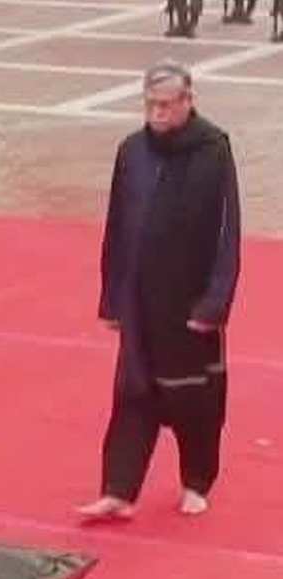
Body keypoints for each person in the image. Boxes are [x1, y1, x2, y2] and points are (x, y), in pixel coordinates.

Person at [77, 60, 241, 521]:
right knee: (133, 393)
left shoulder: (213, 150)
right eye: (150, 104)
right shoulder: (131, 151)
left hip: (189, 303)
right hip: (139, 300)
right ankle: (118, 490)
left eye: (166, 104)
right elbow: (118, 225)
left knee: (195, 399)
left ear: (188, 100)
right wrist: (111, 297)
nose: (157, 113)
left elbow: (228, 231)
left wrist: (215, 303)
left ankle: (196, 481)